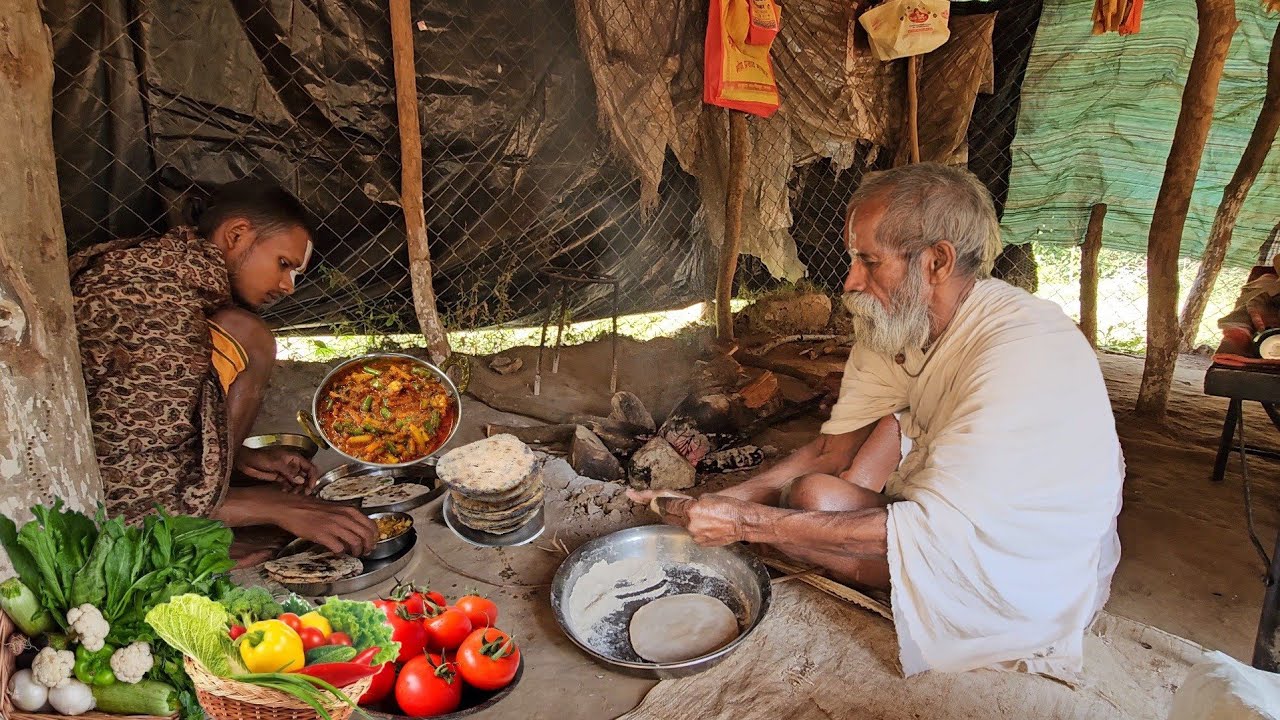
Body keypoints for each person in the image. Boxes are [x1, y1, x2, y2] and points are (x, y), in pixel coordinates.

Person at [630, 163, 1124, 677]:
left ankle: (980, 610)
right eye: (853, 260)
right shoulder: (897, 320)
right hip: (948, 522)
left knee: (797, 527)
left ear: (936, 261)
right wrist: (716, 505)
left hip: (1024, 560)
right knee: (811, 498)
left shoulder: (1021, 348)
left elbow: (939, 531)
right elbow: (831, 452)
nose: (851, 281)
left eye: (869, 261)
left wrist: (748, 524)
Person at [70, 179, 377, 561]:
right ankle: (207, 513)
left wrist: (237, 459)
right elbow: (127, 494)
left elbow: (153, 422)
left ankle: (216, 482)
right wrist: (272, 508)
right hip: (107, 496)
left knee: (246, 333)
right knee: (249, 335)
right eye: (284, 264)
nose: (288, 286)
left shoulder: (171, 271)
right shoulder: (157, 308)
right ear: (236, 235)